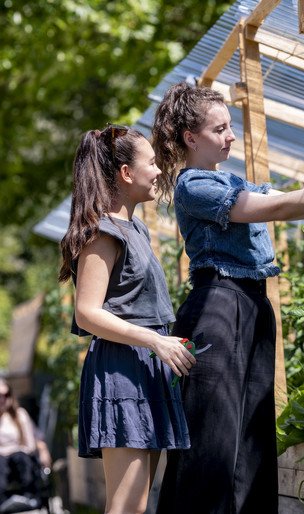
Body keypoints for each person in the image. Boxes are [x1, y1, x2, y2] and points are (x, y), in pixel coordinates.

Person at [152, 82, 304, 513]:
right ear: (190, 138)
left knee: (253, 435)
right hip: (217, 308)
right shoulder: (194, 186)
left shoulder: (231, 180)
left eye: (230, 127)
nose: (231, 136)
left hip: (252, 306)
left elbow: (296, 197)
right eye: (220, 129)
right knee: (213, 442)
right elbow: (280, 208)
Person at [59, 125, 197, 514]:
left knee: (136, 505)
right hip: (123, 371)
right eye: (150, 163)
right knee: (127, 508)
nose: (158, 171)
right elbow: (86, 313)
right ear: (125, 173)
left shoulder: (134, 227)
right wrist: (155, 340)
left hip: (144, 367)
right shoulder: (102, 232)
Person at [0, 379, 47, 506]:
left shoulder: (20, 415)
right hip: (2, 462)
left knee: (21, 457)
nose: (3, 399)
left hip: (20, 457)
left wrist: (43, 450)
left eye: (6, 395)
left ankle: (29, 496)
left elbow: (31, 444)